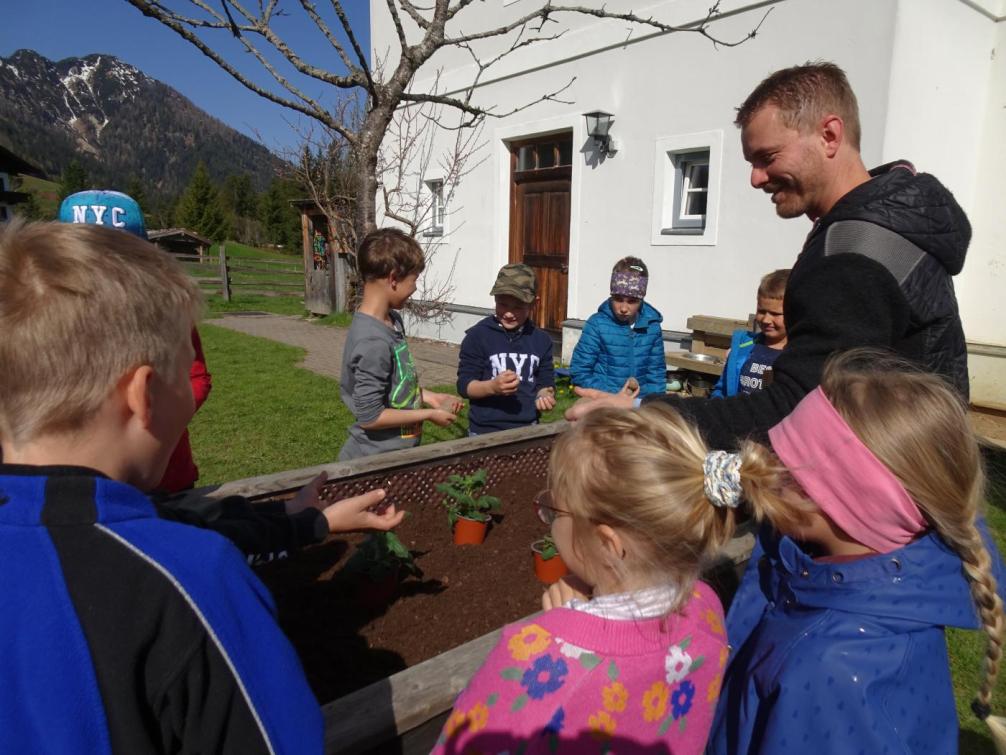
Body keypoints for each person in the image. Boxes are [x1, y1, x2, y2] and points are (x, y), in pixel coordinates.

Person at [0, 220, 402, 752]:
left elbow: (169, 525)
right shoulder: (195, 580)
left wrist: (307, 521)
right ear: (142, 395)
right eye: (183, 373)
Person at [568, 62, 971, 449]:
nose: (756, 178)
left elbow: (792, 416)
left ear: (829, 136)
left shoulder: (854, 253)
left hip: (883, 499)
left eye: (768, 157)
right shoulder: (892, 221)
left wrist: (644, 409)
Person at [707, 351, 1006, 754]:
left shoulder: (828, 672)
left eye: (786, 467)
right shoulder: (894, 592)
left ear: (849, 504)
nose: (761, 467)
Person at [432, 402, 729, 754]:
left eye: (555, 510)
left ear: (608, 544)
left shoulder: (534, 661)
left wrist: (561, 631)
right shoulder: (705, 604)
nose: (549, 519)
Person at [58, 189, 212, 493]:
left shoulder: (170, 308)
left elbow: (197, 377)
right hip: (78, 483)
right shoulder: (44, 319)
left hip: (165, 474)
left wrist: (155, 422)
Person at [339, 228, 461, 459]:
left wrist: (431, 398)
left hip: (397, 453)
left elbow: (395, 386)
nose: (415, 288)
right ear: (394, 278)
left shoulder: (391, 322)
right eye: (414, 280)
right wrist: (427, 415)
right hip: (374, 460)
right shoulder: (373, 342)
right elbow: (371, 417)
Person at [457, 263, 556, 436]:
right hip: (484, 430)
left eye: (518, 307)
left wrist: (544, 395)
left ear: (534, 303)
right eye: (503, 304)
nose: (509, 313)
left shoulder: (542, 340)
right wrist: (492, 387)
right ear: (495, 300)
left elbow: (545, 383)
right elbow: (464, 387)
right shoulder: (478, 336)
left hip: (527, 429)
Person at [569, 256, 666, 398]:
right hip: (605, 404)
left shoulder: (652, 328)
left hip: (640, 406)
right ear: (612, 295)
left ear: (641, 299)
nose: (624, 308)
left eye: (632, 301)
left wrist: (654, 404)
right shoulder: (597, 324)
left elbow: (656, 373)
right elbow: (580, 371)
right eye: (618, 299)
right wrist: (612, 396)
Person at [710, 269, 789, 398]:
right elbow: (722, 390)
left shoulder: (799, 355)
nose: (766, 320)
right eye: (761, 311)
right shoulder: (742, 347)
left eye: (776, 314)